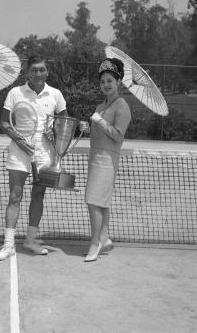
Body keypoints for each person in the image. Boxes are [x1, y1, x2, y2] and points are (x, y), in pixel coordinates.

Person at [0, 55, 86, 261]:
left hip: (44, 154)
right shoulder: (15, 93)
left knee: (38, 195)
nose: (38, 73)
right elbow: (4, 122)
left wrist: (57, 132)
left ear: (47, 71)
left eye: (42, 69)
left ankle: (30, 240)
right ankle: (8, 245)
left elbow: (64, 124)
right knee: (15, 196)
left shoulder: (56, 94)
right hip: (19, 152)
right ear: (27, 72)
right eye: (34, 69)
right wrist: (18, 140)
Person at [83, 58, 131, 262]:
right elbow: (96, 135)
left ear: (118, 81)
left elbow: (118, 137)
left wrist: (100, 122)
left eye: (110, 80)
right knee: (101, 203)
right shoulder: (100, 105)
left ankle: (95, 243)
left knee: (93, 201)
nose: (106, 85)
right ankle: (104, 237)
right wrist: (86, 129)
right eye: (103, 81)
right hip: (95, 156)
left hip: (107, 159)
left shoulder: (123, 106)